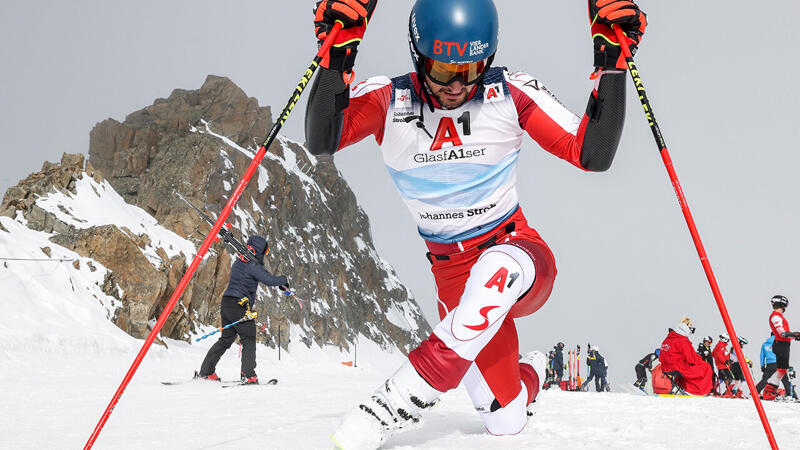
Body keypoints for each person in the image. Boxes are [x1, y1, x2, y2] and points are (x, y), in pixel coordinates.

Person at [305, 0, 647, 445]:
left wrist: (613, 64)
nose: (457, 85)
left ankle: (388, 407)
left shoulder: (508, 91)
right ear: (417, 53)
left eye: (471, 69)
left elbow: (592, 154)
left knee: (491, 274)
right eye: (444, 70)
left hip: (517, 252)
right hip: (451, 274)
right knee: (504, 420)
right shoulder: (390, 99)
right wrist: (336, 58)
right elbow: (321, 139)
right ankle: (530, 376)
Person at [198, 236, 289, 384]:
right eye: (265, 251)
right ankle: (248, 375)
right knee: (248, 337)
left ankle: (206, 371)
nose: (265, 254)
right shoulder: (252, 265)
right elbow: (270, 280)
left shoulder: (240, 262)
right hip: (238, 305)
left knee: (226, 340)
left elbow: (261, 274)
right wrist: (284, 279)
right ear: (260, 250)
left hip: (227, 303)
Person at [657, 318, 713, 395]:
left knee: (693, 368)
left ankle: (679, 387)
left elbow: (661, 356)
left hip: (665, 367)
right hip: (677, 367)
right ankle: (693, 391)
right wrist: (700, 359)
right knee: (705, 367)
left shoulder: (667, 339)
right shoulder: (682, 340)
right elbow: (691, 359)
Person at [761, 295, 800, 399]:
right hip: (781, 344)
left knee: (783, 369)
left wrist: (794, 336)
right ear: (783, 305)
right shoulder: (776, 316)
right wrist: (794, 334)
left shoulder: (778, 316)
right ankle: (768, 390)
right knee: (782, 369)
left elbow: (783, 334)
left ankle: (770, 390)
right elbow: (781, 333)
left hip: (783, 344)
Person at [755, 334, 793, 398]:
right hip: (780, 363)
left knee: (764, 380)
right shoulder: (779, 342)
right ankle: (789, 396)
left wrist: (762, 366)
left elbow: (762, 356)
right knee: (785, 380)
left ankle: (755, 393)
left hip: (770, 364)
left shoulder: (764, 345)